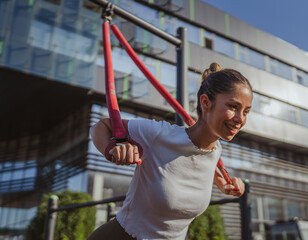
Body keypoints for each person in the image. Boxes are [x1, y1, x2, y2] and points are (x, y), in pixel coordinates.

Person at [88, 63, 253, 240]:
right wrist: (111, 148)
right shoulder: (159, 134)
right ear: (205, 102)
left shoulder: (215, 151)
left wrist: (223, 183)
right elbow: (102, 125)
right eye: (233, 107)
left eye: (246, 112)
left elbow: (197, 163)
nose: (240, 119)